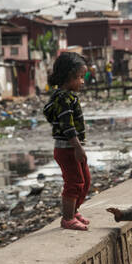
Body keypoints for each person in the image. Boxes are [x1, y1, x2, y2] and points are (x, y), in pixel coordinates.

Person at [43, 52, 90, 231]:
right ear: (69, 77)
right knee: (75, 182)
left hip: (73, 148)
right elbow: (67, 125)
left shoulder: (69, 96)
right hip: (67, 148)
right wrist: (77, 147)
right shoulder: (62, 98)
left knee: (85, 180)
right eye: (79, 77)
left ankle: (75, 210)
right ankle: (68, 218)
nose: (82, 81)